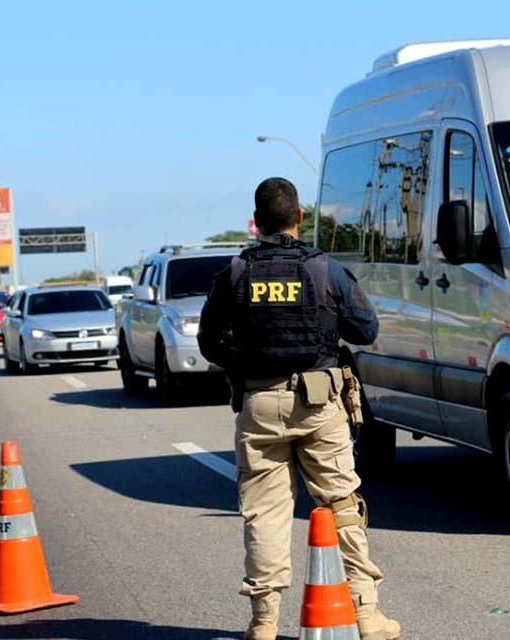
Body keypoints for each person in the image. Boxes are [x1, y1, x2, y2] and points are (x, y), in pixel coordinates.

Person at [198, 177, 400, 640]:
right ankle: (367, 615)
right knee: (341, 503)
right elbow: (366, 329)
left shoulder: (234, 274)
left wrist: (244, 363)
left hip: (259, 401)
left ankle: (264, 622)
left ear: (256, 221)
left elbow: (209, 342)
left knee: (265, 513)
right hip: (319, 401)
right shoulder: (324, 271)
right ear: (299, 218)